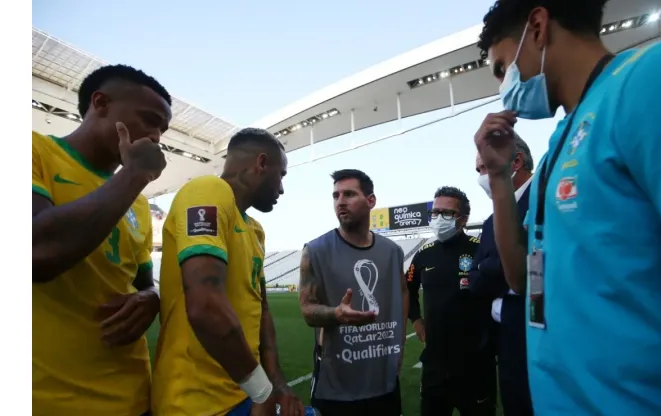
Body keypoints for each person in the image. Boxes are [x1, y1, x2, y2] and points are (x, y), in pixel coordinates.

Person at [475, 1, 661, 415]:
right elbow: (521, 277)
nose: (503, 87)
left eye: (502, 68)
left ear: (539, 27)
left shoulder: (660, 74)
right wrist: (497, 177)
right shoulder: (554, 151)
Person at [32, 64, 170, 416]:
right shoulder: (33, 152)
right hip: (49, 401)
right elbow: (35, 252)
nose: (156, 136)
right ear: (100, 102)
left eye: (163, 129)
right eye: (150, 119)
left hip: (134, 397)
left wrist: (152, 297)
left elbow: (143, 283)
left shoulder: (137, 202)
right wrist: (136, 174)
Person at [151, 128, 303, 416]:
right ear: (261, 163)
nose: (282, 188)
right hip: (197, 403)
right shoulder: (207, 189)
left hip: (242, 395)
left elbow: (262, 312)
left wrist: (277, 384)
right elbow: (206, 306)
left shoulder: (255, 230)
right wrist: (262, 391)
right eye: (281, 175)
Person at [298, 169, 408, 416]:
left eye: (349, 194)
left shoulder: (392, 251)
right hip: (337, 384)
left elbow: (402, 293)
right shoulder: (315, 251)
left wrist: (399, 343)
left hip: (384, 379)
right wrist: (337, 314)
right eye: (336, 196)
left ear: (371, 201)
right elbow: (307, 310)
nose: (340, 202)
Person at [406, 186, 496, 416]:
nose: (438, 218)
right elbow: (408, 289)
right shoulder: (424, 253)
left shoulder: (479, 250)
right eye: (435, 212)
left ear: (463, 219)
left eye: (447, 213)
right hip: (435, 363)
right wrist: (416, 319)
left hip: (475, 364)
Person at [469, 143, 534, 416]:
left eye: (485, 167)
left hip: (541, 328)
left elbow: (536, 263)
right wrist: (502, 268)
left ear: (516, 161)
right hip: (505, 334)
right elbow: (475, 279)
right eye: (478, 170)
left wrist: (492, 267)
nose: (481, 176)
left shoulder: (546, 197)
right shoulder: (489, 221)